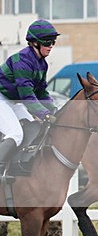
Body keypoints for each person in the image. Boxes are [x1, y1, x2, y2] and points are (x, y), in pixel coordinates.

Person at [0, 19, 60, 171]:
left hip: (12, 101)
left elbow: (41, 92)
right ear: (34, 43)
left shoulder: (42, 64)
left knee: (34, 128)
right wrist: (45, 114)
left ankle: (15, 168)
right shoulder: (22, 61)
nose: (51, 45)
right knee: (16, 133)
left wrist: (54, 110)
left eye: (53, 41)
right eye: (47, 42)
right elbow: (27, 95)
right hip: (2, 98)